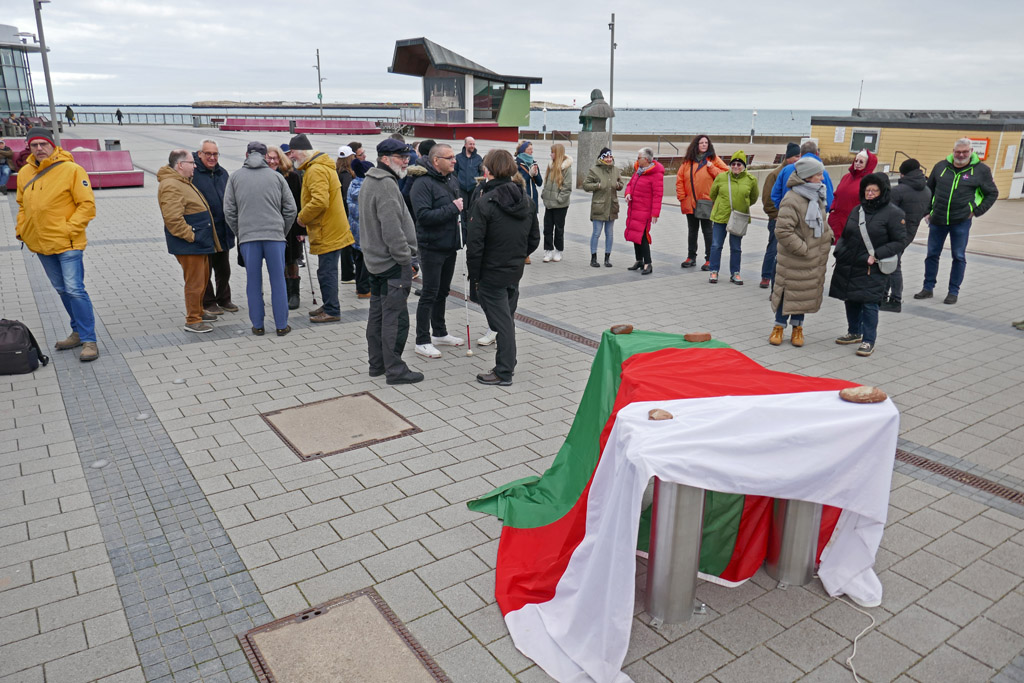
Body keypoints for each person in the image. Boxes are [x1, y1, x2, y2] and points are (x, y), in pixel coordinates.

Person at [15, 127, 98, 360]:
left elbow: (87, 206)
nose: (39, 149)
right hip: (40, 244)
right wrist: (21, 229)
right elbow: (22, 205)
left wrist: (68, 228)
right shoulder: (24, 173)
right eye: (34, 145)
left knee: (74, 289)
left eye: (43, 144)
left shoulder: (72, 169)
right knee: (62, 290)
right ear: (28, 148)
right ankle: (77, 332)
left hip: (68, 243)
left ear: (53, 145)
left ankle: (89, 340)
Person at [467, 149, 540, 386]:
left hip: (492, 272)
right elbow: (534, 238)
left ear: (488, 170)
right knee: (506, 318)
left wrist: (475, 277)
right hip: (512, 270)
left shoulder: (485, 203)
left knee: (503, 323)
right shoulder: (525, 200)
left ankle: (504, 370)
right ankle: (505, 366)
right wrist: (518, 256)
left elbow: (474, 246)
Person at [360, 138, 422, 385]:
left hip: (375, 262)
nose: (406, 160)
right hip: (391, 264)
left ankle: (377, 364)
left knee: (378, 315)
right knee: (395, 319)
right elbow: (392, 229)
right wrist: (405, 259)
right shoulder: (385, 184)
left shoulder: (371, 180)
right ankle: (395, 370)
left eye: (407, 156)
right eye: (400, 156)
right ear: (385, 158)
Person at [223, 142, 297, 337]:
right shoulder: (277, 177)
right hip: (274, 237)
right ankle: (281, 325)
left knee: (253, 282)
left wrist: (241, 231)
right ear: (266, 156)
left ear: (247, 154)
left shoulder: (235, 177)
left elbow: (228, 210)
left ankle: (258, 326)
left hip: (249, 238)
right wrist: (281, 229)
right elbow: (291, 209)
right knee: (278, 281)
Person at [829, 173, 906, 357]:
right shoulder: (858, 210)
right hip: (850, 263)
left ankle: (868, 340)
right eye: (867, 189)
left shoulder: (894, 213)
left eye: (874, 190)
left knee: (870, 303)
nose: (869, 193)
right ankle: (854, 332)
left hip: (872, 266)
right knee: (851, 299)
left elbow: (899, 242)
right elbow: (846, 234)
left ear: (883, 192)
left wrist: (877, 254)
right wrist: (839, 251)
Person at [914, 138, 999, 305]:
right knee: (932, 254)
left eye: (965, 152)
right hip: (937, 219)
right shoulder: (941, 166)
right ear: (953, 151)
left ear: (971, 151)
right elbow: (928, 190)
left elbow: (992, 193)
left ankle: (953, 291)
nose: (961, 155)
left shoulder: (981, 170)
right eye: (958, 151)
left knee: (958, 256)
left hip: (961, 220)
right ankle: (928, 288)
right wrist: (926, 211)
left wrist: (975, 211)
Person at [286, 133, 355, 323]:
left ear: (301, 152)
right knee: (325, 271)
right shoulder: (319, 166)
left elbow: (319, 201)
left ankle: (332, 309)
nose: (290, 157)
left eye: (292, 152)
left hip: (328, 230)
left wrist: (302, 218)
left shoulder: (316, 170)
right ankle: (329, 304)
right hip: (331, 227)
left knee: (327, 272)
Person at [768, 156, 833, 347]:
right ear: (807, 176)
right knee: (788, 291)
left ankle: (798, 328)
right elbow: (782, 230)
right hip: (795, 257)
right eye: (818, 174)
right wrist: (803, 249)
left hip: (814, 256)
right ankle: (779, 326)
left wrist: (828, 237)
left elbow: (822, 221)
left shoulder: (817, 194)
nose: (822, 178)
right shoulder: (792, 198)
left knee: (804, 292)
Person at [410, 143, 465, 359]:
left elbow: (461, 209)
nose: (454, 160)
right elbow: (423, 216)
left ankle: (439, 332)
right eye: (449, 157)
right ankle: (422, 340)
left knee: (443, 291)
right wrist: (452, 208)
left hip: (449, 245)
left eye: (453, 157)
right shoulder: (422, 184)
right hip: (431, 247)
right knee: (429, 293)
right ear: (436, 161)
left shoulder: (451, 179)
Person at [158, 149, 221, 334]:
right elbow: (172, 219)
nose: (195, 166)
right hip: (190, 243)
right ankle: (193, 320)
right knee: (194, 282)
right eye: (192, 162)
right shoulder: (171, 184)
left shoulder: (182, 181)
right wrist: (192, 236)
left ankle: (199, 311)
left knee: (202, 279)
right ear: (180, 165)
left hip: (199, 242)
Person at [192, 139, 237, 316]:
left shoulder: (222, 173)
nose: (212, 157)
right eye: (208, 153)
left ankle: (224, 298)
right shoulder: (194, 174)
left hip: (223, 230)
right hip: (204, 231)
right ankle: (208, 301)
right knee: (205, 270)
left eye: (215, 154)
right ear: (200, 153)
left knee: (224, 269)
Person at [882, 158, 931, 312]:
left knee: (893, 265)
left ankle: (894, 299)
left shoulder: (898, 191)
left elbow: (887, 213)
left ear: (903, 174)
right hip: (909, 233)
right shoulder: (927, 190)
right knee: (893, 262)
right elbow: (925, 211)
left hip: (893, 233)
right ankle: (885, 296)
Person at [706, 151, 759, 285]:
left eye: (739, 164)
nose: (736, 166)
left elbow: (753, 198)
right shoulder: (721, 177)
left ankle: (735, 273)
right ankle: (714, 270)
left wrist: (742, 205)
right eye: (733, 164)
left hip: (738, 217)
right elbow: (713, 194)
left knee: (736, 247)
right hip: (721, 216)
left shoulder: (751, 180)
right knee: (716, 245)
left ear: (744, 166)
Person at [676, 134, 728, 270]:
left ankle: (709, 259)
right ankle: (691, 257)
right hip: (690, 201)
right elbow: (680, 179)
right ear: (696, 145)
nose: (704, 144)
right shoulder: (688, 161)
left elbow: (725, 174)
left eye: (706, 142)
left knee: (707, 231)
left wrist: (712, 168)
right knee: (692, 231)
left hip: (706, 201)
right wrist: (682, 196)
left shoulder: (714, 159)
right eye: (701, 143)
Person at [266, 145, 306, 310]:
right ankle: (282, 292)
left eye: (275, 158)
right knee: (278, 260)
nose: (273, 161)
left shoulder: (292, 176)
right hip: (272, 224)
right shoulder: (263, 176)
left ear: (281, 158)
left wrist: (302, 230)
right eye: (269, 158)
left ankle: (294, 294)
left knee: (292, 258)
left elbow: (299, 203)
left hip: (291, 224)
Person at [759, 142, 800, 287]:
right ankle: (766, 276)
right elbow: (767, 199)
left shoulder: (799, 173)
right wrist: (775, 215)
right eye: (796, 156)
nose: (798, 159)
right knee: (773, 248)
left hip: (792, 220)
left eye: (800, 156)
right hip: (777, 219)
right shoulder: (775, 174)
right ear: (788, 157)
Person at [623, 148, 664, 275]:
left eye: (639, 157)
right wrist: (628, 193)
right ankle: (639, 260)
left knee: (642, 235)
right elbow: (630, 185)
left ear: (646, 160)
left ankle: (648, 263)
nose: (637, 159)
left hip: (645, 210)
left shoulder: (656, 175)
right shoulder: (638, 171)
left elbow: (658, 195)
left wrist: (655, 213)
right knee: (635, 235)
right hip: (634, 208)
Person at [582, 147, 623, 268]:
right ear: (602, 158)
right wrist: (597, 185)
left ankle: (607, 258)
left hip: (612, 206)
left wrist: (618, 185)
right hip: (599, 207)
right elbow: (585, 185)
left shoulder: (615, 170)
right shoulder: (594, 170)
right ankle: (593, 258)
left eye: (610, 157)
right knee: (596, 233)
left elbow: (621, 183)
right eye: (606, 157)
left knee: (609, 234)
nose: (609, 159)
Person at [828, 149, 878, 242]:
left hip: (853, 224)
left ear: (868, 164)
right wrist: (832, 209)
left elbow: (870, 204)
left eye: (861, 162)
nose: (857, 163)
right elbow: (836, 195)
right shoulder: (846, 177)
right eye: (856, 160)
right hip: (837, 221)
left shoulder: (870, 182)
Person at [771, 140, 835, 211]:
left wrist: (783, 208)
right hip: (812, 217)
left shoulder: (786, 169)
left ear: (801, 154)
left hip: (788, 212)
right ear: (817, 154)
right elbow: (829, 202)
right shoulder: (823, 173)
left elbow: (775, 194)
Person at [346, 158, 375, 299]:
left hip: (354, 229)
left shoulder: (353, 183)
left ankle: (359, 286)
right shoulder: (366, 188)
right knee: (365, 260)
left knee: (358, 258)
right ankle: (364, 289)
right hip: (364, 230)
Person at [539, 143, 572, 263]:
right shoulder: (550, 165)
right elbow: (546, 181)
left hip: (560, 205)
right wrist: (544, 194)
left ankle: (559, 250)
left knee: (559, 228)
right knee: (547, 228)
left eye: (552, 152)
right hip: (549, 203)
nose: (550, 154)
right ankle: (548, 250)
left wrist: (559, 199)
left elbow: (567, 187)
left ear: (557, 153)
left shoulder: (566, 167)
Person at [336, 145, 358, 284]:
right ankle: (348, 274)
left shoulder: (337, 171)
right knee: (348, 244)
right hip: (347, 214)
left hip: (340, 213)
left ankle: (348, 273)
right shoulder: (347, 175)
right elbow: (347, 196)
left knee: (346, 244)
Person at [454, 136, 483, 211]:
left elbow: (481, 172)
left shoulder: (478, 158)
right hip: (461, 188)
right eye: (470, 144)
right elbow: (454, 172)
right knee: (462, 209)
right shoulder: (458, 157)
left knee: (473, 208)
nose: (472, 146)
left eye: (473, 144)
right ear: (465, 145)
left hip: (474, 189)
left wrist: (479, 184)